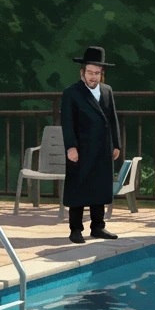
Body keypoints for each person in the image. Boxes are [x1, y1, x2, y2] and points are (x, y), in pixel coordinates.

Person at [59, 46, 122, 244]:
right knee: (78, 188)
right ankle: (76, 229)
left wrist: (116, 144)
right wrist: (71, 147)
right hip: (81, 148)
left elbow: (112, 118)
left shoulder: (107, 90)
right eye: (90, 72)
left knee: (99, 188)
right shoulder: (72, 93)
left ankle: (98, 227)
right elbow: (67, 122)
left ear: (101, 74)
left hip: (103, 147)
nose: (93, 76)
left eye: (97, 73)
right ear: (82, 72)